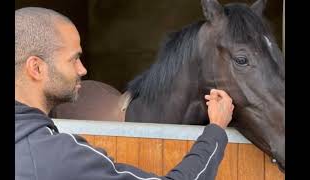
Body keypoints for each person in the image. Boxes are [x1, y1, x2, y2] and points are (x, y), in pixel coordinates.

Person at [15, 7, 234, 180]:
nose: (83, 69)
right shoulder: (60, 156)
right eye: (74, 59)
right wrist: (215, 130)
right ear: (36, 68)